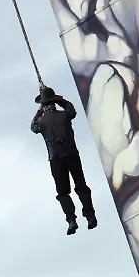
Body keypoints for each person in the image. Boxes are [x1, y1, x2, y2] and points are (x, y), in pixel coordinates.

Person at [31, 86, 98, 235]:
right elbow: (72, 110)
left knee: (62, 192)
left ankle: (71, 220)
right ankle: (90, 216)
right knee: (81, 185)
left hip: (55, 159)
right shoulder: (64, 115)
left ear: (43, 104)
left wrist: (39, 111)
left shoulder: (41, 121)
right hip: (72, 154)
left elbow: (33, 127)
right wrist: (61, 101)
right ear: (54, 102)